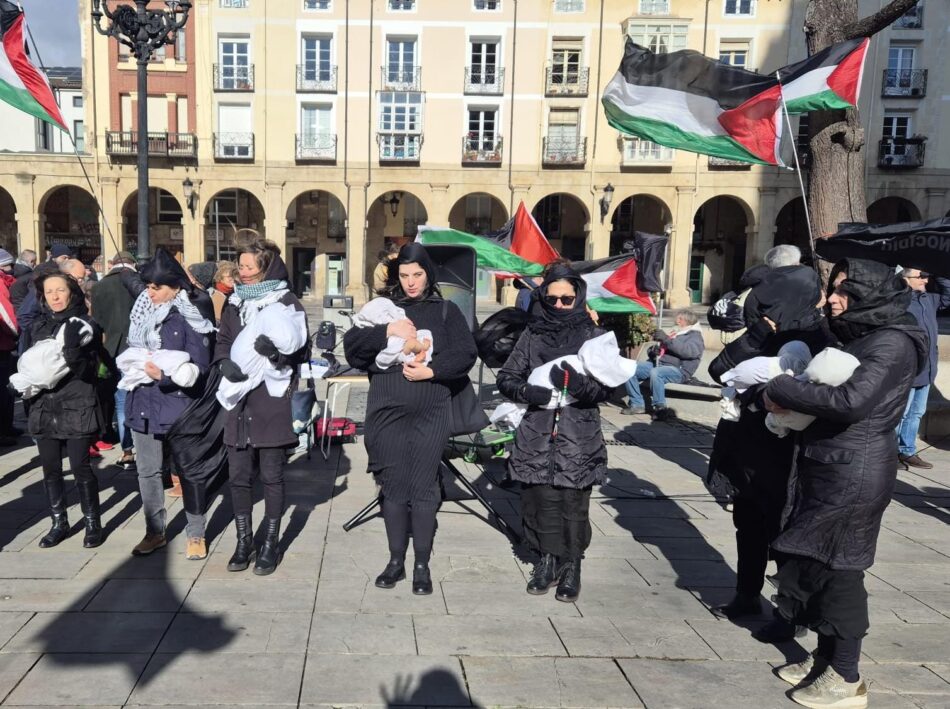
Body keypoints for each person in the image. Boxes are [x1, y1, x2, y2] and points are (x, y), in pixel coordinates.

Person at [762, 259, 926, 709]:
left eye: (844, 291)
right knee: (817, 562)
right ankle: (825, 657)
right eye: (834, 288)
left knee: (841, 570)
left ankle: (846, 677)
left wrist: (781, 387)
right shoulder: (862, 333)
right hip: (829, 465)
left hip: (855, 472)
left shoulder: (892, 342)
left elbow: (851, 401)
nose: (832, 298)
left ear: (871, 295)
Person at [705, 265, 834, 642]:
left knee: (784, 531)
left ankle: (788, 612)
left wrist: (773, 395)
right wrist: (754, 337)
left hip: (787, 453)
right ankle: (747, 594)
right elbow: (719, 370)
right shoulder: (763, 329)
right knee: (748, 523)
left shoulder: (818, 335)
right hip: (747, 446)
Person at [343, 242, 478, 594]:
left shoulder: (446, 311)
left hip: (431, 409)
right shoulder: (383, 309)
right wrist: (387, 331)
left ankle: (421, 564)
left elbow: (466, 355)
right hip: (386, 410)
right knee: (392, 486)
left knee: (423, 487)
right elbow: (353, 350)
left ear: (428, 274)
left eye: (417, 275)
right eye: (404, 275)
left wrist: (432, 372)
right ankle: (394, 561)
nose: (411, 282)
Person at [496, 265, 609, 602]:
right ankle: (546, 561)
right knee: (540, 500)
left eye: (567, 298)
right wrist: (527, 392)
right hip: (537, 432)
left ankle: (572, 564)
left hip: (579, 432)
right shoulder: (533, 334)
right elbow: (507, 376)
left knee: (574, 503)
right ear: (543, 298)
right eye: (553, 298)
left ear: (578, 297)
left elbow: (609, 387)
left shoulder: (594, 335)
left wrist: (582, 386)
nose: (559, 304)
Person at [215, 239, 308, 575]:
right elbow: (223, 339)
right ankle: (243, 542)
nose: (244, 273)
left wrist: (275, 354)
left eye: (250, 267)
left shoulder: (286, 301)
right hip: (238, 399)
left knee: (271, 475)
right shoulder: (234, 302)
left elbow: (300, 349)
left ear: (266, 269)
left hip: (271, 399)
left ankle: (270, 542)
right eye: (241, 267)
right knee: (238, 476)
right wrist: (223, 361)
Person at [125, 249, 215, 559]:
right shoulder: (140, 314)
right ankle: (154, 532)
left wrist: (164, 375)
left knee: (189, 472)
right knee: (148, 472)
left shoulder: (192, 314)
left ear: (175, 286)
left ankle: (196, 533)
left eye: (157, 287)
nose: (150, 293)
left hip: (179, 406)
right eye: (148, 286)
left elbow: (201, 366)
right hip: (142, 404)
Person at [27, 271, 104, 548]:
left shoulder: (85, 324)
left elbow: (89, 373)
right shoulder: (38, 326)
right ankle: (59, 522)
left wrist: (73, 353)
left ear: (71, 291)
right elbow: (26, 366)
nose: (55, 296)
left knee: (81, 467)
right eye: (49, 292)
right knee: (50, 469)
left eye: (60, 290)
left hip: (77, 404)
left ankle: (93, 522)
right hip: (45, 407)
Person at [895, 268, 950, 469]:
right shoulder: (899, 300)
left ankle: (907, 450)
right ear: (905, 279)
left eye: (928, 275)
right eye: (921, 276)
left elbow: (949, 295)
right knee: (900, 413)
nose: (926, 280)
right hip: (908, 368)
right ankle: (890, 453)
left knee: (917, 412)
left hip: (927, 368)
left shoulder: (928, 298)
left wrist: (939, 269)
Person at [91, 252, 138, 470]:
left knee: (120, 399)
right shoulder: (138, 284)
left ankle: (127, 450)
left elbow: (96, 321)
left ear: (111, 264)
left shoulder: (99, 287)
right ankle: (141, 445)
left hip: (110, 349)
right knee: (137, 398)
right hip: (137, 348)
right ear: (133, 264)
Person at [622, 309, 704, 420]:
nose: (677, 321)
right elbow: (660, 349)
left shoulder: (695, 336)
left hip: (678, 370)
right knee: (629, 367)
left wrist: (666, 339)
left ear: (687, 321)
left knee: (656, 373)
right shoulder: (676, 332)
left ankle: (660, 408)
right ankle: (637, 404)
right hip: (657, 364)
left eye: (680, 319)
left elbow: (688, 352)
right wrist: (653, 351)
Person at [0, 258, 17, 446]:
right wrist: (15, 334)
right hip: (2, 344)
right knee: (3, 390)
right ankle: (3, 431)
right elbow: (6, 316)